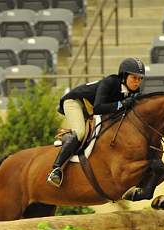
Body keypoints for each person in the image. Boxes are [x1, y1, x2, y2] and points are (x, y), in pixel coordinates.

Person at [46, 57, 145, 187]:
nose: (137, 82)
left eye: (140, 79)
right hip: (75, 102)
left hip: (90, 107)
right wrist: (121, 104)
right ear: (124, 76)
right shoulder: (110, 82)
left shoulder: (134, 92)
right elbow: (98, 108)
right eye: (134, 78)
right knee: (80, 132)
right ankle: (56, 170)